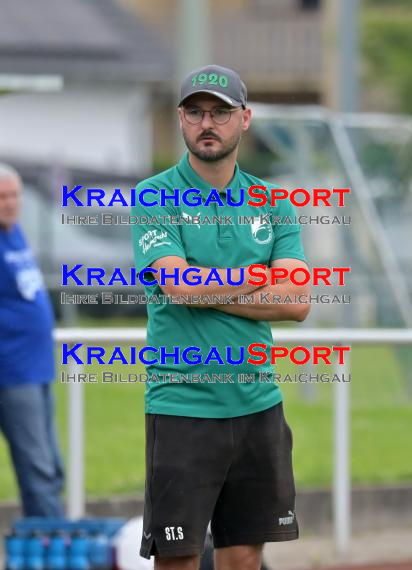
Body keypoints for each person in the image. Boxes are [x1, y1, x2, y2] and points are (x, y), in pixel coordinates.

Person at [131, 64, 310, 570]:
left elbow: (296, 302)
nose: (206, 123)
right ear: (180, 119)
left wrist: (201, 285)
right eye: (195, 112)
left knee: (244, 555)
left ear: (245, 118)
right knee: (178, 559)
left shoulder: (276, 203)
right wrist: (257, 278)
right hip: (183, 404)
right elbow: (175, 285)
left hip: (258, 401)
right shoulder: (153, 196)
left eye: (220, 112)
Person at [0, 163, 65, 517]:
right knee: (38, 469)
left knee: (52, 465)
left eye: (14, 195)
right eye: (2, 197)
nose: (10, 203)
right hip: (11, 372)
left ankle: (46, 536)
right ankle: (49, 544)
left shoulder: (15, 232)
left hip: (37, 367)